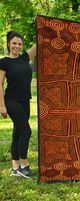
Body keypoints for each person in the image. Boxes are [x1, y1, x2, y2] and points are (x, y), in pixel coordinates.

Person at [0, 31, 36, 178]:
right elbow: (0, 84)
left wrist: (45, 26)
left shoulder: (24, 57)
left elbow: (39, 44)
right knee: (27, 131)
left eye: (20, 44)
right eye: (14, 43)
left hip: (25, 100)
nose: (17, 46)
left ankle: (15, 168)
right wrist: (2, 106)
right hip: (12, 101)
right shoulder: (4, 62)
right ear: (9, 43)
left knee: (18, 133)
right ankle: (24, 165)